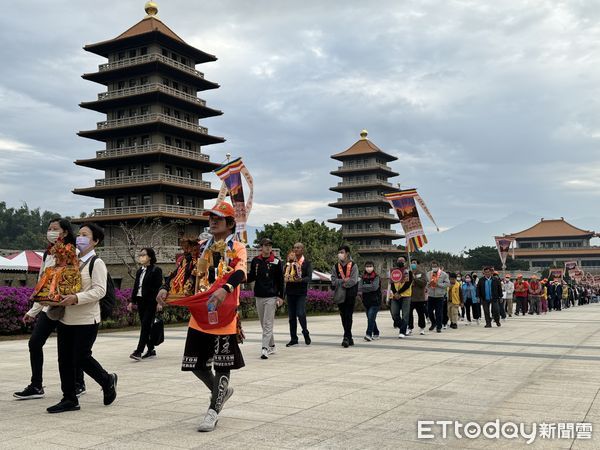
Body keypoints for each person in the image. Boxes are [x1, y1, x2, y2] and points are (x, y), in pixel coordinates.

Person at [157, 201, 246, 432]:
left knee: (222, 365)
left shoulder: (237, 247)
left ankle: (213, 411)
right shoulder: (201, 247)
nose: (213, 221)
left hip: (225, 314)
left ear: (229, 223)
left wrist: (224, 289)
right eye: (211, 218)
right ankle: (221, 392)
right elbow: (179, 270)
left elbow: (240, 272)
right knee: (194, 364)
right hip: (200, 313)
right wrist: (165, 286)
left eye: (218, 218)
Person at [47, 222, 117, 413]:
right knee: (65, 360)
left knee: (81, 357)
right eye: (79, 234)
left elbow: (100, 291)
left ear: (95, 241)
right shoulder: (70, 261)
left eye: (85, 235)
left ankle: (107, 379)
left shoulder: (97, 263)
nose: (80, 238)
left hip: (86, 319)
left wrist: (76, 298)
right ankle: (69, 398)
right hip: (66, 318)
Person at [14, 218, 85, 400]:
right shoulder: (47, 255)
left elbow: (77, 280)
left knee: (70, 348)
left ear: (66, 233)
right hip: (50, 307)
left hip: (67, 306)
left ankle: (78, 383)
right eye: (49, 229)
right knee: (35, 343)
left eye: (55, 229)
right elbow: (42, 284)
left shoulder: (74, 252)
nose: (51, 232)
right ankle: (36, 385)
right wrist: (33, 311)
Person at [247, 238, 284, 359]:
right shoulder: (255, 261)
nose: (268, 247)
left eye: (270, 245)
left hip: (271, 296)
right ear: (261, 247)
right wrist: (239, 277)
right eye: (265, 245)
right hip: (259, 295)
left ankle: (264, 348)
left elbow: (280, 281)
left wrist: (281, 296)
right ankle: (272, 345)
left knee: (268, 323)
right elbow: (251, 276)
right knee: (264, 324)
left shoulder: (277, 262)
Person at [128, 247, 163, 361]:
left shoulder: (156, 270)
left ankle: (139, 351)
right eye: (140, 255)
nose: (141, 257)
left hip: (151, 302)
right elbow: (135, 287)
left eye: (143, 255)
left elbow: (158, 287)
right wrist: (132, 302)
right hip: (141, 301)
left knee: (145, 326)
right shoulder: (139, 271)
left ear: (150, 257)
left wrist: (159, 302)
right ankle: (151, 349)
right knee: (145, 326)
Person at [284, 243, 312, 347]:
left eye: (298, 248)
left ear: (302, 249)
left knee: (300, 313)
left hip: (301, 292)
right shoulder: (289, 262)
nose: (296, 249)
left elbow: (309, 277)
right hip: (290, 292)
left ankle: (305, 332)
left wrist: (301, 279)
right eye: (294, 248)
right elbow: (284, 274)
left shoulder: (306, 263)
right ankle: (293, 338)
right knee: (291, 317)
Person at [331, 245, 359, 347]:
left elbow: (353, 280)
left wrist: (343, 284)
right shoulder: (335, 266)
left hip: (350, 294)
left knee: (348, 315)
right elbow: (333, 281)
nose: (340, 254)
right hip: (340, 294)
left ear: (347, 253)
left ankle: (346, 337)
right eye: (339, 252)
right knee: (343, 315)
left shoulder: (353, 265)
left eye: (342, 252)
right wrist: (343, 281)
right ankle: (349, 337)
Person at [389, 256, 413, 338]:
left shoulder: (408, 271)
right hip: (395, 296)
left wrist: (399, 292)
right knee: (394, 313)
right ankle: (403, 327)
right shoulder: (393, 271)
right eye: (398, 260)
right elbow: (392, 283)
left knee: (405, 314)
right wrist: (395, 293)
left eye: (402, 260)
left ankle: (402, 331)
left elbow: (408, 284)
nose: (400, 261)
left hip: (405, 295)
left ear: (405, 262)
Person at [359, 261, 381, 341]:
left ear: (373, 267)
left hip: (375, 301)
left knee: (371, 317)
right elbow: (359, 287)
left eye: (370, 266)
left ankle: (368, 334)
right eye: (367, 266)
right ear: (365, 267)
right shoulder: (362, 277)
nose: (368, 268)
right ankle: (376, 333)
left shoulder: (376, 277)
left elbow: (375, 287)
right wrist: (369, 287)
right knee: (370, 318)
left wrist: (365, 287)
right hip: (366, 301)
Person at [426, 261, 450, 333]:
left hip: (439, 296)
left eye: (435, 266)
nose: (434, 268)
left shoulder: (444, 274)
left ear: (438, 266)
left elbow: (447, 284)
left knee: (438, 312)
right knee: (429, 311)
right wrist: (429, 284)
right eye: (433, 266)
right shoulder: (428, 273)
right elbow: (425, 284)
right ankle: (433, 323)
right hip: (431, 295)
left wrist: (438, 284)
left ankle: (439, 326)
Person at [408, 259, 428, 335]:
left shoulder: (422, 273)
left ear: (417, 264)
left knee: (420, 313)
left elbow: (423, 283)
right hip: (409, 297)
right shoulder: (407, 273)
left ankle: (422, 327)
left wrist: (415, 278)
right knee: (409, 313)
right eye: (411, 263)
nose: (413, 264)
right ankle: (410, 327)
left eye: (414, 263)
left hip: (419, 297)